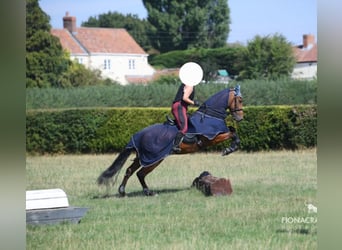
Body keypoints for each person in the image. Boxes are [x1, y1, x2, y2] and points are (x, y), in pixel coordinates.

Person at [171, 83, 200, 152]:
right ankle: (175, 146)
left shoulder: (185, 84)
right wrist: (194, 103)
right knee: (184, 128)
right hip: (180, 107)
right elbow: (185, 98)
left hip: (180, 106)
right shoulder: (190, 85)